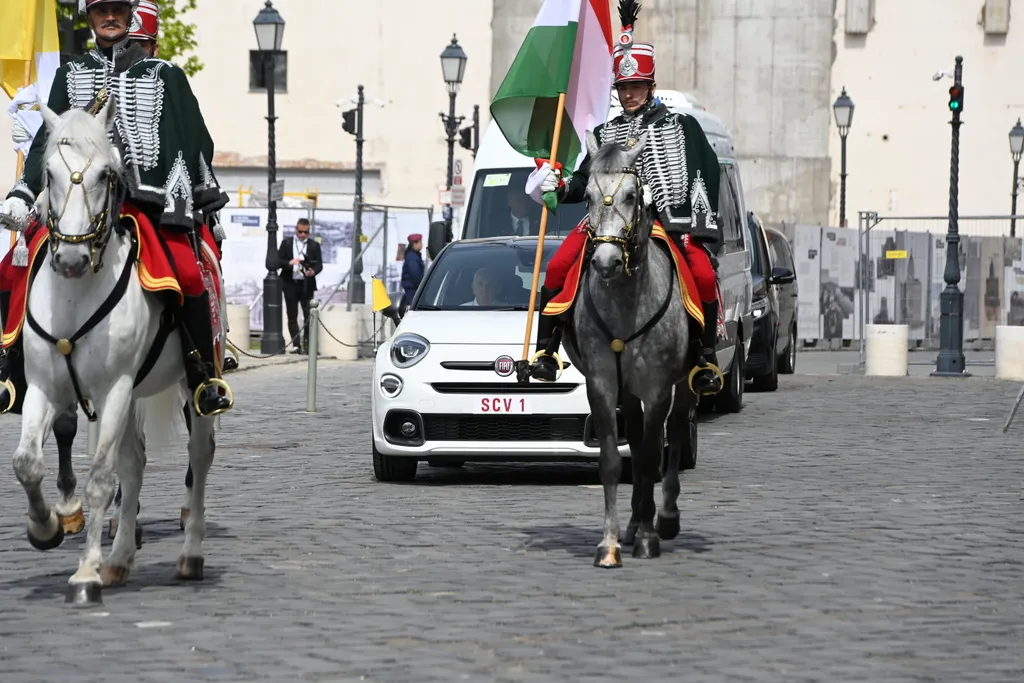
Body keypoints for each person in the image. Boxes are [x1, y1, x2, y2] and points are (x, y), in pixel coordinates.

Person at [0, 0, 232, 416]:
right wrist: (23, 191)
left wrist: (179, 195)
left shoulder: (166, 76)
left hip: (145, 204)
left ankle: (203, 375)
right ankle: (11, 368)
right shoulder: (69, 75)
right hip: (79, 203)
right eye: (101, 9)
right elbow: (46, 143)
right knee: (13, 265)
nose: (110, 18)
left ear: (130, 16)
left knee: (185, 269)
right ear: (90, 18)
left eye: (118, 10)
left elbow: (192, 138)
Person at [523, 0, 723, 395]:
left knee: (701, 273)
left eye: (636, 87)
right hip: (606, 223)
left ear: (650, 86)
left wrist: (688, 219)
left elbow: (705, 171)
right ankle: (547, 349)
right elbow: (583, 182)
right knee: (559, 266)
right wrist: (559, 187)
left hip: (662, 225)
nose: (629, 94)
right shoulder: (603, 133)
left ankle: (704, 356)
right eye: (623, 87)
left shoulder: (682, 126)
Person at [277, 218, 323, 353]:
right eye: (300, 231)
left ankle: (309, 345)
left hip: (306, 284)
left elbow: (319, 264)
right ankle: (296, 345)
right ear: (296, 229)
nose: (303, 234)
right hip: (290, 283)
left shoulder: (314, 245)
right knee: (292, 315)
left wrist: (312, 271)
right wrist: (290, 263)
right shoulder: (287, 243)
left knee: (309, 314)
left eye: (306, 232)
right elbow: (278, 261)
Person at [401, 234, 425, 306]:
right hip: (413, 289)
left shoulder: (413, 255)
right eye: (420, 243)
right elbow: (415, 273)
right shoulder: (412, 257)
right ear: (414, 244)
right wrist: (421, 285)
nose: (421, 245)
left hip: (413, 288)